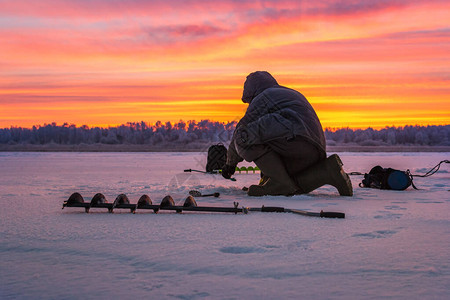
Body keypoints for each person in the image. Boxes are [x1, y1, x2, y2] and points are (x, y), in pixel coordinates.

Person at [221, 71, 353, 197]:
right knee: (293, 185)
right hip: (314, 153)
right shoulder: (290, 93)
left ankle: (279, 183)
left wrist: (230, 164)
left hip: (296, 143)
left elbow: (240, 134)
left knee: (244, 136)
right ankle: (328, 171)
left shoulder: (263, 97)